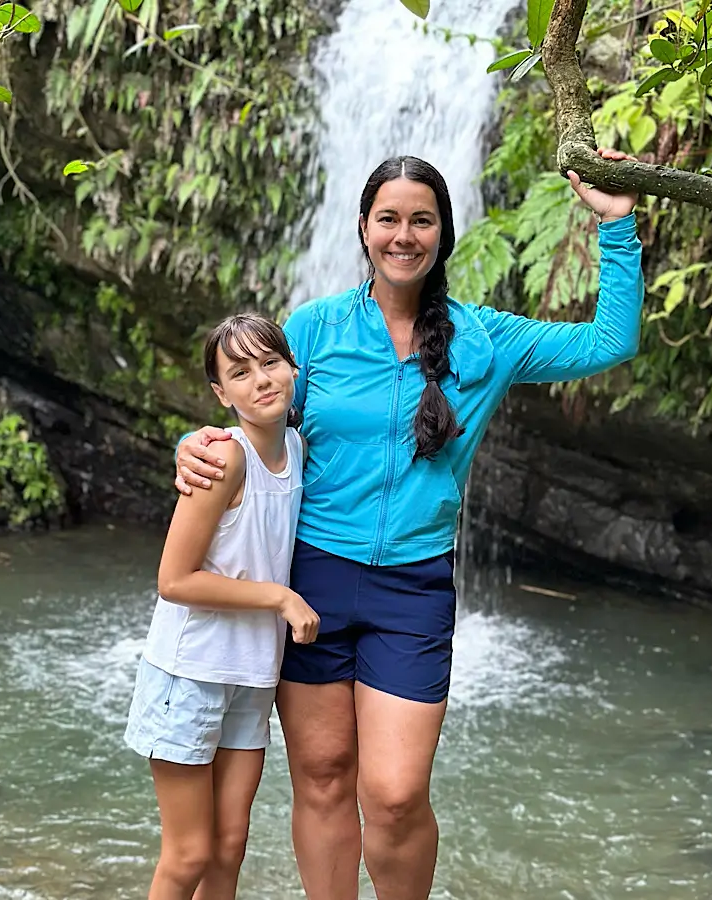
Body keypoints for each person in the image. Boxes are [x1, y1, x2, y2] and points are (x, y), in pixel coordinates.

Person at [173, 148, 644, 900]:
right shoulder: (317, 329)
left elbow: (608, 342)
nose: (404, 235)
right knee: (324, 778)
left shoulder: (485, 341)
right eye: (388, 218)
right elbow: (255, 421)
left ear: (443, 233)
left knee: (393, 794)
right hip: (313, 580)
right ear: (363, 229)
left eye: (421, 220)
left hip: (413, 589)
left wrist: (616, 228)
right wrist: (191, 446)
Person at [124, 313, 322, 900]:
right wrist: (279, 597)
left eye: (270, 363)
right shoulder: (222, 460)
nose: (260, 380)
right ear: (220, 393)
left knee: (229, 847)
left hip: (252, 676)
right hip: (190, 672)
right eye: (240, 373)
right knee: (189, 854)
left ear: (292, 368)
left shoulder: (296, 445)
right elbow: (174, 579)